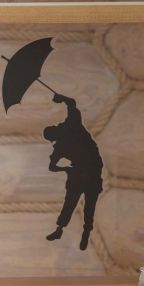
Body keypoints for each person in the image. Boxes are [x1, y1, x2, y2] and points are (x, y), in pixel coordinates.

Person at [43, 93, 103, 251]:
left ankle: (81, 232)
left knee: (82, 204)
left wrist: (65, 168)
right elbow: (72, 103)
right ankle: (67, 230)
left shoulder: (69, 130)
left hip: (89, 170)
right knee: (77, 203)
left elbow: (52, 166)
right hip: (85, 171)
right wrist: (61, 98)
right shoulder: (68, 130)